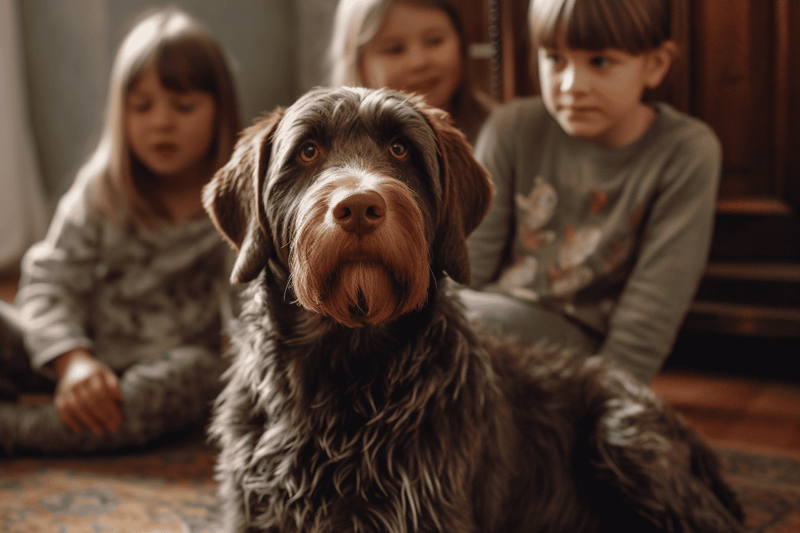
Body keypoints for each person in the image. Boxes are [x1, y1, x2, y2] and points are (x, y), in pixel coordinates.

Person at [0, 6, 242, 455]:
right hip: (71, 351)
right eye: (141, 106)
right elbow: (50, 283)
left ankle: (19, 428)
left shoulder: (234, 202)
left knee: (201, 375)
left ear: (219, 110)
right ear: (120, 113)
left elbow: (248, 311)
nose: (162, 122)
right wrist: (73, 363)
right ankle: (53, 402)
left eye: (183, 105)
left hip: (153, 377)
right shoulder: (102, 190)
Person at [460, 0, 722, 384]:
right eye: (554, 58)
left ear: (656, 64)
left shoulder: (685, 152)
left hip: (578, 339)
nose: (571, 85)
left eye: (599, 62)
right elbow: (469, 261)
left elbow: (653, 304)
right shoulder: (512, 127)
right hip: (484, 312)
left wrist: (608, 401)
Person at [327, 0, 494, 144]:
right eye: (395, 49)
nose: (419, 62)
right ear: (358, 64)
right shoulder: (332, 151)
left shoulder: (500, 132)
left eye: (434, 41)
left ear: (461, 43)